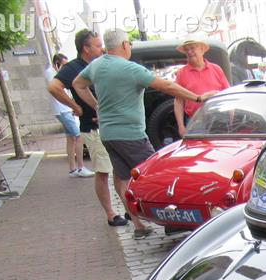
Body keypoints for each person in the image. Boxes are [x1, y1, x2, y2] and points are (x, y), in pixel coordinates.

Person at [72, 28, 215, 239]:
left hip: (108, 134)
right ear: (124, 45)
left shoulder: (97, 65)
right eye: (129, 43)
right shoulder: (130, 69)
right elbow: (167, 85)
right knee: (157, 176)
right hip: (131, 135)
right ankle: (171, 221)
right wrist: (198, 98)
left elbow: (77, 84)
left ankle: (139, 226)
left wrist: (97, 106)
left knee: (122, 178)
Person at [47, 29, 126, 228]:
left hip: (112, 125)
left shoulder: (102, 63)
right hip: (93, 127)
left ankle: (128, 208)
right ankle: (111, 214)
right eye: (98, 46)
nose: (102, 49)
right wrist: (76, 107)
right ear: (86, 48)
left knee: (120, 170)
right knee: (103, 170)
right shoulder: (73, 67)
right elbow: (53, 87)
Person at [45, 54, 92, 178]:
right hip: (63, 110)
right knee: (78, 136)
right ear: (57, 64)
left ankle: (72, 169)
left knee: (71, 138)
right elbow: (55, 89)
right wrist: (74, 106)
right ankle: (81, 167)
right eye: (64, 65)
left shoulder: (54, 73)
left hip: (63, 110)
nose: (67, 68)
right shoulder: (51, 73)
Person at [173, 39, 229, 139]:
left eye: (192, 48)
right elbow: (178, 101)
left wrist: (231, 118)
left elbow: (227, 94)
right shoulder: (182, 73)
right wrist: (181, 126)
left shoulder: (216, 69)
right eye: (186, 50)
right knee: (197, 148)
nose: (189, 52)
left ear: (202, 50)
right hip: (194, 121)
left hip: (219, 119)